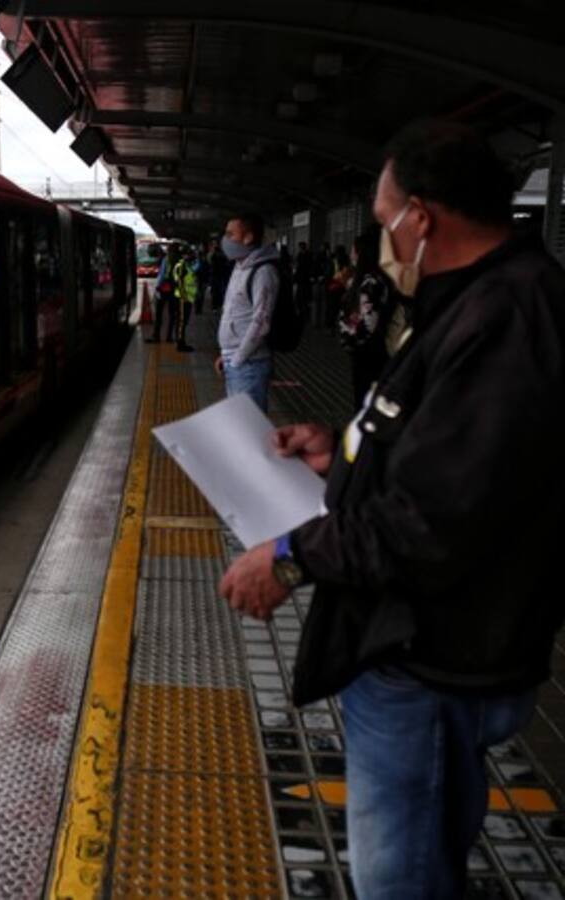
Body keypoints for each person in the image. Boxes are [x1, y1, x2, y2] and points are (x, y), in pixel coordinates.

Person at [218, 120, 565, 899]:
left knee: (399, 879)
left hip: (427, 659)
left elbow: (433, 519)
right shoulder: (480, 299)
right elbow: (442, 447)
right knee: (428, 843)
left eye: (382, 223)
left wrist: (286, 558)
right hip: (428, 649)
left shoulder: (508, 317)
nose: (381, 241)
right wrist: (340, 447)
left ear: (422, 217)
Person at [215, 213, 279, 411]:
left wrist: (236, 360)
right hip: (236, 360)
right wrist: (225, 354)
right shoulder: (239, 266)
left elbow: (261, 322)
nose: (225, 240)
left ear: (248, 237)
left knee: (249, 430)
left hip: (249, 365)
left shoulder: (263, 272)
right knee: (239, 424)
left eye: (230, 234)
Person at [336, 225, 394, 407]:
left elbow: (366, 326)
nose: (352, 254)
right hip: (372, 354)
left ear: (361, 253)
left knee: (364, 402)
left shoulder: (371, 282)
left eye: (354, 250)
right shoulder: (377, 279)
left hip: (370, 356)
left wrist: (346, 335)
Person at [146, 245, 178, 343]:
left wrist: (157, 286)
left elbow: (162, 274)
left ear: (168, 251)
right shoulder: (180, 260)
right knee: (172, 314)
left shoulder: (166, 259)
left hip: (164, 289)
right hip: (175, 290)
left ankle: (156, 337)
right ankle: (169, 337)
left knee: (159, 314)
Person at [170, 250, 197, 351]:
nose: (191, 256)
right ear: (184, 255)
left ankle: (181, 341)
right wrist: (183, 296)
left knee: (184, 321)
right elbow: (179, 281)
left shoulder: (186, 265)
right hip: (182, 298)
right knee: (181, 321)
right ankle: (180, 344)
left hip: (187, 298)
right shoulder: (181, 265)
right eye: (189, 254)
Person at [209, 238, 231, 311]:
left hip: (217, 275)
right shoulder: (223, 255)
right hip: (221, 275)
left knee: (216, 291)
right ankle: (219, 305)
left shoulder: (214, 255)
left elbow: (210, 262)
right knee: (220, 291)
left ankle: (215, 306)